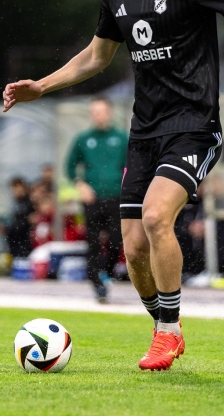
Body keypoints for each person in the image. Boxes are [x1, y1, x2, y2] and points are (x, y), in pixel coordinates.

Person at [2, 0, 224, 371]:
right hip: (145, 132)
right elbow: (96, 57)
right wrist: (41, 86)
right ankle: (164, 324)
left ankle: (168, 332)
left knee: (155, 218)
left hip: (193, 127)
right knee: (132, 249)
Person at [66, 97, 128, 303]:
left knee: (116, 240)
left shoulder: (121, 138)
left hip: (116, 196)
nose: (98, 116)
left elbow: (132, 165)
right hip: (92, 199)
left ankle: (106, 272)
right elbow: (70, 166)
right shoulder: (83, 139)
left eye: (102, 112)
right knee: (92, 242)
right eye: (95, 112)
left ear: (109, 113)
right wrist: (80, 185)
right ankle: (97, 283)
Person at [5, 177, 34, 259]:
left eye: (18, 189)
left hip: (24, 241)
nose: (16, 191)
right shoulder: (17, 204)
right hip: (16, 241)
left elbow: (25, 222)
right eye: (14, 189)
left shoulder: (29, 203)